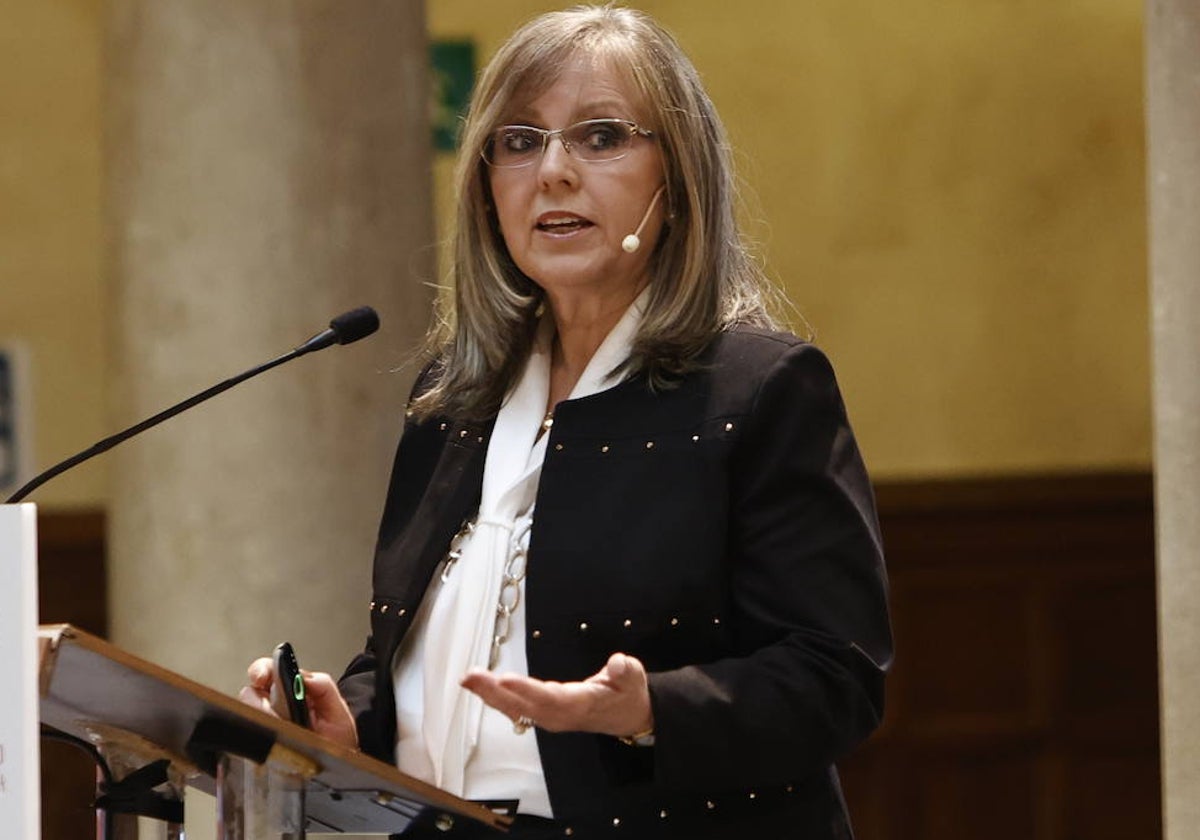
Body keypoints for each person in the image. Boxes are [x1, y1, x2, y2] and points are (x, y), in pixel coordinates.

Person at [241, 5, 892, 838]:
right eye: (519, 142)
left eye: (601, 136)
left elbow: (835, 678)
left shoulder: (760, 390)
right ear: (486, 187)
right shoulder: (457, 397)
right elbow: (426, 652)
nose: (552, 172)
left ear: (679, 176)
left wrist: (649, 710)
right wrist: (356, 723)